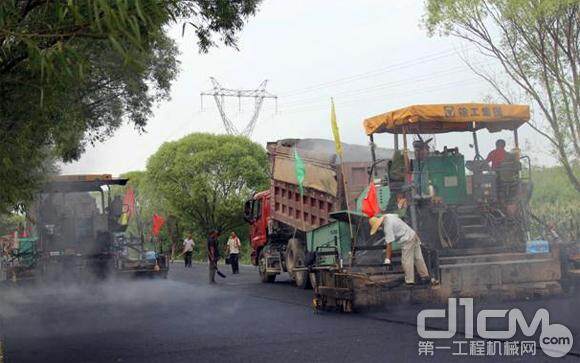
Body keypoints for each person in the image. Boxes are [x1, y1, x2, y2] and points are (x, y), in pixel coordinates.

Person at [369, 214, 430, 285]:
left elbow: (389, 244)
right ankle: (425, 277)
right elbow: (398, 216)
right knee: (418, 258)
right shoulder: (389, 216)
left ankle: (409, 282)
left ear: (379, 225)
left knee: (406, 261)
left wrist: (387, 260)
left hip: (407, 239)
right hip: (413, 234)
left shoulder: (387, 227)